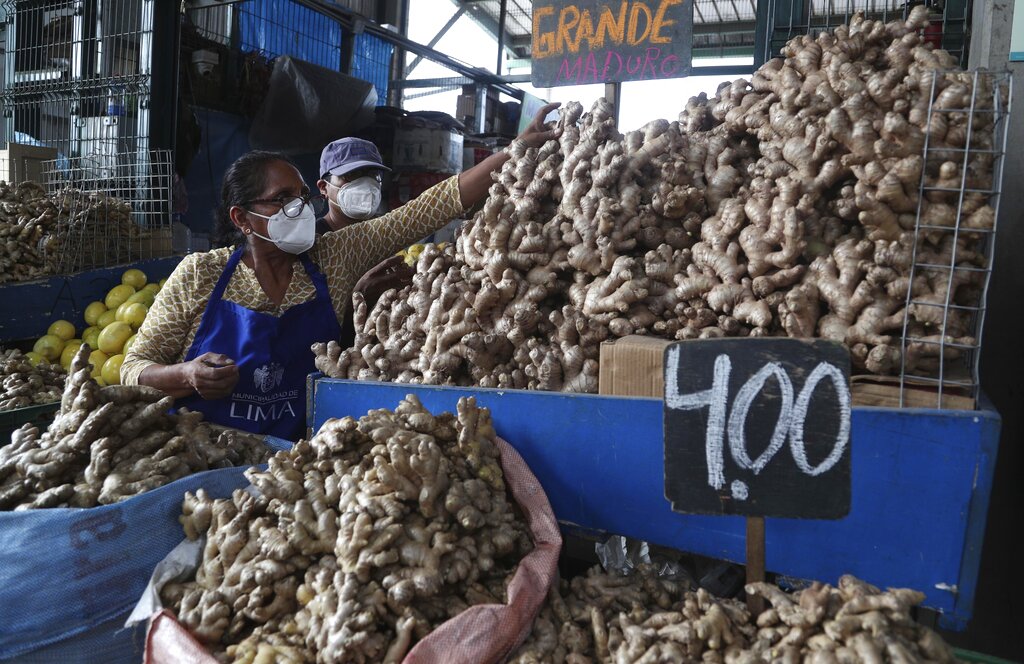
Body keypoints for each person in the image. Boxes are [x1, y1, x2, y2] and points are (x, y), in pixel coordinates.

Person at [120, 103, 561, 439]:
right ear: (241, 218)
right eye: (281, 199)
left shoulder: (333, 256)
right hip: (203, 451)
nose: (299, 207)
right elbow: (132, 368)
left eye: (301, 195)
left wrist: (514, 151)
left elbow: (426, 210)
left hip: (295, 454)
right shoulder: (200, 274)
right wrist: (187, 375)